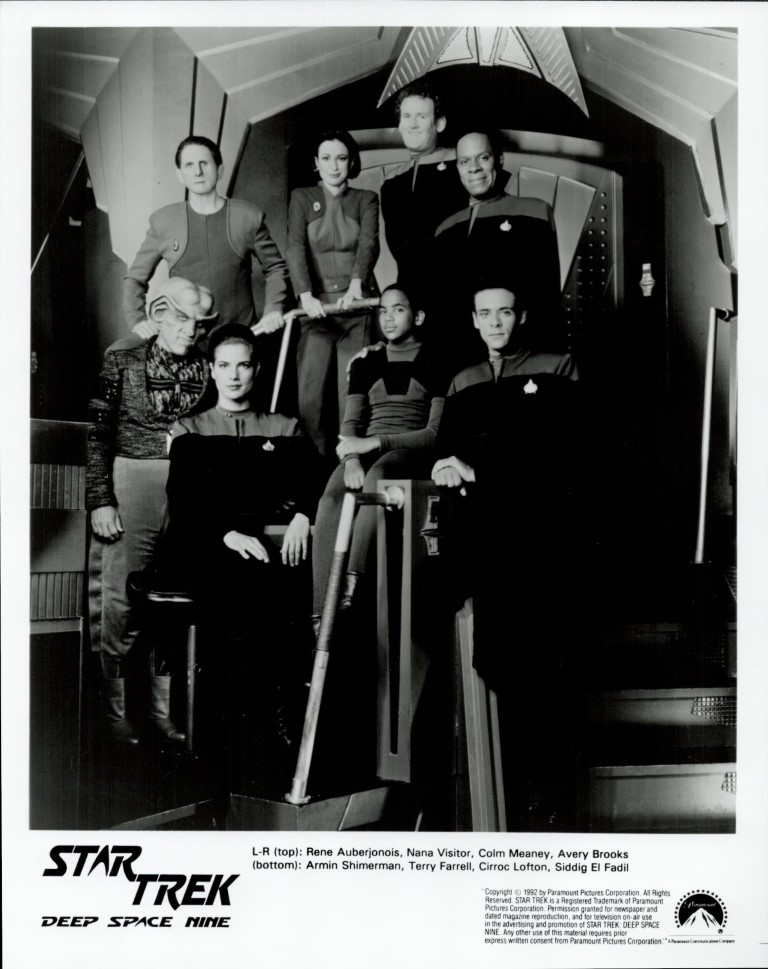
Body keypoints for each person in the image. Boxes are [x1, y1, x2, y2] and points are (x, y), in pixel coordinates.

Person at [432, 281, 582, 831]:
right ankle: (515, 814)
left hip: (542, 548)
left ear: (520, 316)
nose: (495, 322)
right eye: (485, 314)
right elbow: (446, 449)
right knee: (500, 674)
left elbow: (565, 456)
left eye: (504, 312)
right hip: (488, 549)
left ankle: (551, 814)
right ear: (473, 320)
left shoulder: (557, 366)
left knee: (545, 683)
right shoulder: (463, 379)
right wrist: (443, 465)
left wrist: (479, 472)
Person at [162, 324, 324, 762]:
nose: (234, 375)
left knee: (281, 590)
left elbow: (315, 480)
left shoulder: (284, 426)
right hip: (204, 542)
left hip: (262, 544)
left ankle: (272, 719)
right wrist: (226, 534)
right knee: (241, 590)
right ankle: (229, 731)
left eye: (243, 365)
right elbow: (183, 501)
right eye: (225, 365)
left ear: (257, 370)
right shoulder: (190, 428)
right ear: (212, 371)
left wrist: (303, 515)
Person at [87, 277, 216, 746]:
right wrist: (100, 499)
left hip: (186, 491)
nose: (189, 330)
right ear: (159, 313)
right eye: (180, 318)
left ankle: (163, 714)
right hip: (131, 482)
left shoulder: (210, 368)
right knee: (119, 599)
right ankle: (116, 713)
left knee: (173, 598)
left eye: (198, 322)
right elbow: (97, 433)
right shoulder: (122, 358)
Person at [312, 284, 450, 621]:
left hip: (407, 450)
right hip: (364, 450)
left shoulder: (437, 361)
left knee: (378, 476)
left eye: (398, 310)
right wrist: (351, 460)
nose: (388, 318)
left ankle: (351, 585)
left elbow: (433, 435)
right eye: (383, 311)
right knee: (330, 499)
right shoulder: (366, 361)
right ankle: (321, 613)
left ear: (418, 317)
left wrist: (373, 445)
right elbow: (350, 425)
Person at [123, 135, 289, 337]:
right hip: (185, 341)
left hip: (239, 338)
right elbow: (134, 279)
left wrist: (273, 308)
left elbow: (275, 267)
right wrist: (138, 320)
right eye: (189, 165)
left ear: (220, 170)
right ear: (179, 174)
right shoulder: (163, 221)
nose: (198, 172)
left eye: (204, 163)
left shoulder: (247, 216)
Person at [430, 131, 561, 367]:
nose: (474, 168)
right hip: (461, 364)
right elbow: (440, 309)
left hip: (521, 361)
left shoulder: (535, 212)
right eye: (464, 161)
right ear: (457, 167)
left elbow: (546, 299)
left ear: (499, 160)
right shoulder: (445, 228)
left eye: (483, 157)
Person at [286, 130, 380, 458]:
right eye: (326, 158)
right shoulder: (302, 197)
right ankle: (314, 474)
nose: (334, 165)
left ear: (351, 162)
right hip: (316, 309)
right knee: (310, 398)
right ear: (316, 163)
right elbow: (295, 247)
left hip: (356, 307)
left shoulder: (366, 198)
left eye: (341, 158)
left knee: (350, 395)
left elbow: (368, 243)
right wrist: (305, 295)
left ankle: (350, 467)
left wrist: (356, 286)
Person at [379, 81, 466, 296]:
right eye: (407, 116)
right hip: (409, 292)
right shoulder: (391, 181)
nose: (413, 125)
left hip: (456, 290)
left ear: (439, 124)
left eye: (422, 117)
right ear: (400, 124)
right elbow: (398, 248)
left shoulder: (461, 164)